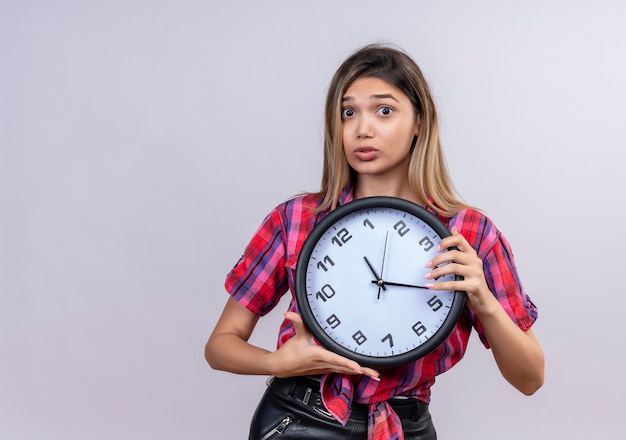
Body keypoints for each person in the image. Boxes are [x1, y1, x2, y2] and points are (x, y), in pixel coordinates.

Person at [205, 43, 544, 440]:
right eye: (348, 112)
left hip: (404, 427)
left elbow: (530, 379)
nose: (362, 129)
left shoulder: (470, 233)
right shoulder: (296, 219)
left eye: (384, 110)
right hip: (299, 418)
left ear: (420, 121)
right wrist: (281, 362)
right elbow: (219, 345)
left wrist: (483, 300)